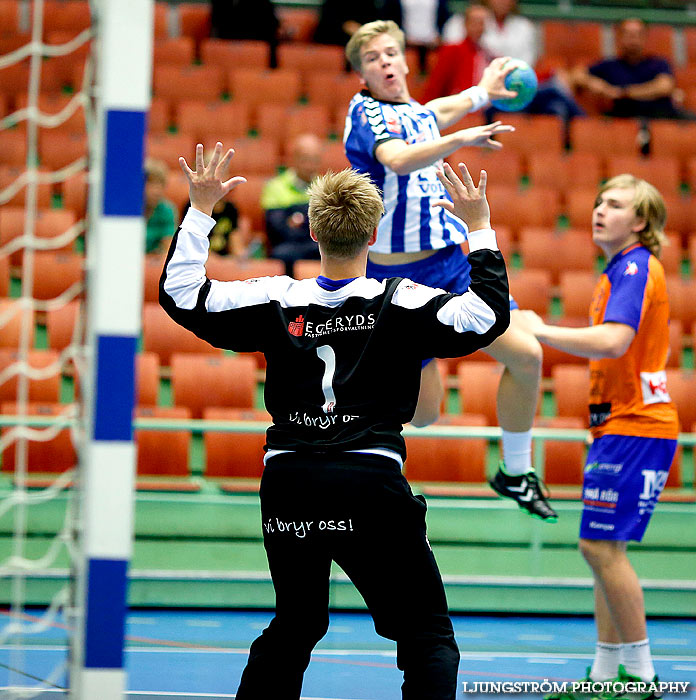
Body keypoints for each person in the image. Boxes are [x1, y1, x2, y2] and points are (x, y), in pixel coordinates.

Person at [160, 142, 510, 699]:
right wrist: (480, 227)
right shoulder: (403, 299)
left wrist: (201, 209)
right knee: (425, 636)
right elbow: (487, 317)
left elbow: (180, 295)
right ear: (373, 235)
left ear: (316, 234)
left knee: (298, 623)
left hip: (290, 483)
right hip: (367, 483)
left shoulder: (275, 296)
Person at [344, 19, 557, 521]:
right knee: (424, 415)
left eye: (392, 53)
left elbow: (437, 110)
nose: (386, 63)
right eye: (373, 59)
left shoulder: (416, 112)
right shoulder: (365, 113)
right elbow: (397, 160)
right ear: (362, 74)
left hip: (450, 267)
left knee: (527, 356)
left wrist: (482, 91)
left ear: (405, 59)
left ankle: (516, 470)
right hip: (397, 284)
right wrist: (462, 136)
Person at [520, 174, 677, 699]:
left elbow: (614, 341)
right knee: (603, 549)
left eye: (614, 204)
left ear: (640, 221)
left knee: (598, 548)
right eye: (598, 201)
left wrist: (540, 330)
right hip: (618, 425)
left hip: (637, 424)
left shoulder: (634, 266)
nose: (599, 210)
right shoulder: (621, 269)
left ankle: (641, 676)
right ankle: (606, 677)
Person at [572, 18, 684, 120]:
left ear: (645, 37)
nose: (633, 40)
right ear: (619, 36)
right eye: (628, 34)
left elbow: (665, 86)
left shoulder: (658, 63)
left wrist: (624, 93)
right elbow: (576, 75)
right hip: (623, 119)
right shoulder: (610, 65)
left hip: (660, 118)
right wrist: (599, 85)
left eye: (637, 35)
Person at [261, 134, 323, 276]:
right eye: (306, 159)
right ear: (294, 159)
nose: (311, 166)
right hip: (288, 246)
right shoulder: (275, 186)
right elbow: (277, 230)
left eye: (315, 160)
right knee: (282, 254)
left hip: (319, 245)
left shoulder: (325, 186)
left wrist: (297, 222)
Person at [422, 4, 493, 104]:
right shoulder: (452, 50)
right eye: (475, 22)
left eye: (482, 23)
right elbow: (435, 85)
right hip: (456, 107)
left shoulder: (485, 53)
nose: (479, 27)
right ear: (465, 24)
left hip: (478, 107)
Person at [144, 158, 177, 254]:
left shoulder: (167, 210)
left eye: (160, 184)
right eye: (151, 183)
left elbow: (168, 249)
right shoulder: (129, 210)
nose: (156, 191)